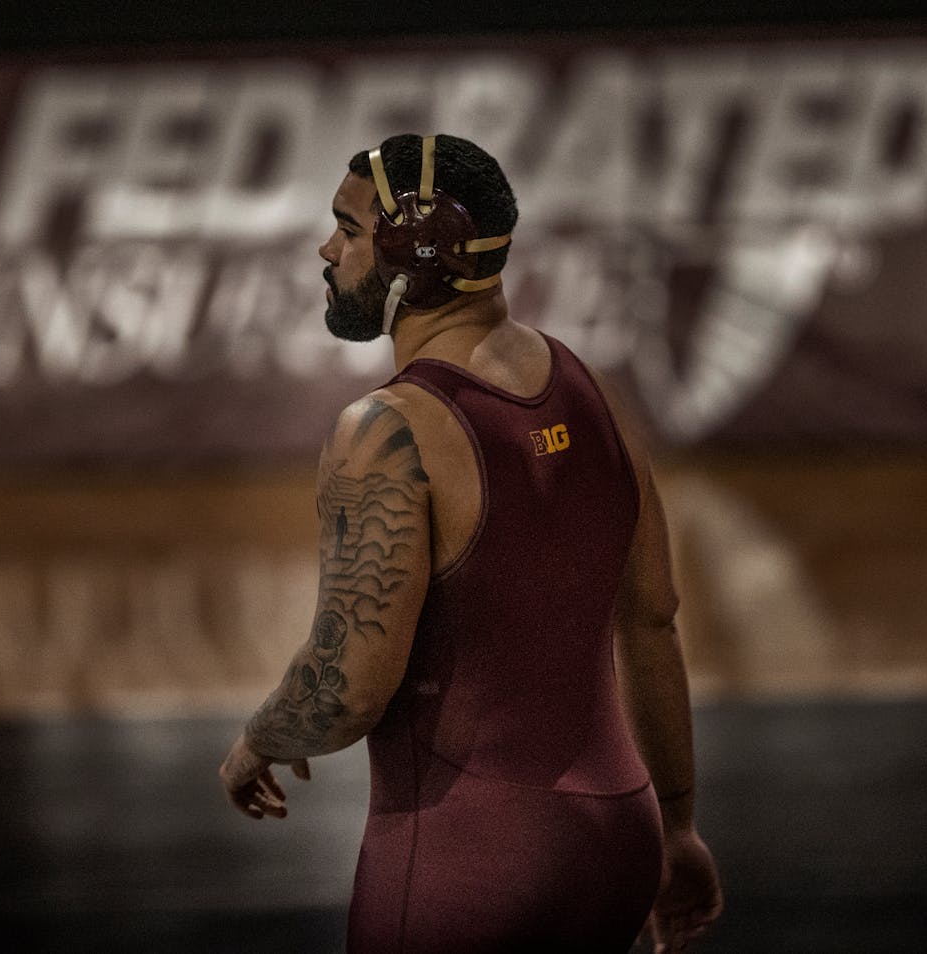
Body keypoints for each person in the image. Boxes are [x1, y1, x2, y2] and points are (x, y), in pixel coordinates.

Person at [219, 133, 722, 953]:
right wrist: (678, 830)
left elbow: (348, 691)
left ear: (414, 255)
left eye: (347, 230)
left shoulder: (385, 432)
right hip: (620, 843)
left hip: (473, 869)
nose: (327, 249)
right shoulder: (587, 386)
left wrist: (259, 739)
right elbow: (653, 621)